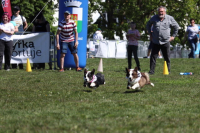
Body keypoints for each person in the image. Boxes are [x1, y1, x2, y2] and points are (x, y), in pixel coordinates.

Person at [146, 6, 179, 75]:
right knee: (153, 57)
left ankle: (168, 71)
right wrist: (150, 34)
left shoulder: (170, 18)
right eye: (159, 12)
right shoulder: (154, 18)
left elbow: (176, 27)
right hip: (155, 41)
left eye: (162, 11)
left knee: (167, 57)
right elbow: (148, 25)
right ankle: (151, 71)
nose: (160, 13)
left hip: (166, 41)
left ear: (165, 12)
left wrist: (173, 36)